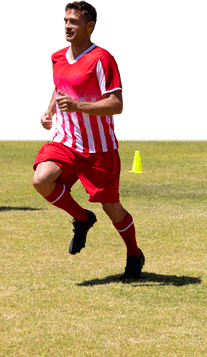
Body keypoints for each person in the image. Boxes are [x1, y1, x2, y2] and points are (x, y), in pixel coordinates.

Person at [34, 1, 143, 278]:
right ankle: (82, 218)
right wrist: (49, 112)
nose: (67, 26)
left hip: (99, 148)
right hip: (66, 140)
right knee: (41, 179)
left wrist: (79, 106)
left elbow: (117, 104)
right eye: (65, 21)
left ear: (90, 26)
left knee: (112, 208)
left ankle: (134, 253)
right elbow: (60, 89)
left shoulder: (102, 59)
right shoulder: (57, 57)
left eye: (74, 21)